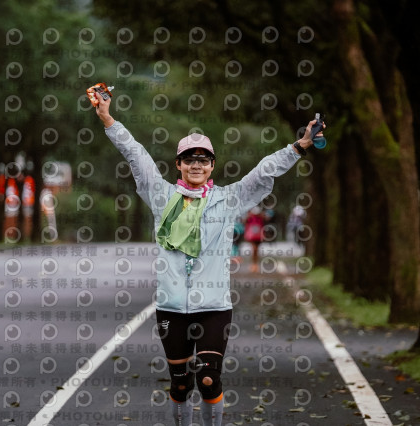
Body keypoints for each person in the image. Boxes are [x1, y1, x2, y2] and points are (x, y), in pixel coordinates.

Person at [94, 94, 323, 426]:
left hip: (214, 307)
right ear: (179, 164)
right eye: (189, 159)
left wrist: (299, 146)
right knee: (180, 383)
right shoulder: (161, 196)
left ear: (212, 165)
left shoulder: (227, 200)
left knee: (207, 379)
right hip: (171, 308)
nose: (197, 165)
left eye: (204, 159)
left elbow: (263, 172)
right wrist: (107, 119)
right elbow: (136, 153)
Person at [243, 206, 265, 273]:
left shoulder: (261, 218)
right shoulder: (250, 218)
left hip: (258, 236)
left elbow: (266, 219)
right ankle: (254, 264)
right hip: (252, 236)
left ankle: (255, 264)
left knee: (256, 250)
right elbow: (244, 222)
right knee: (254, 249)